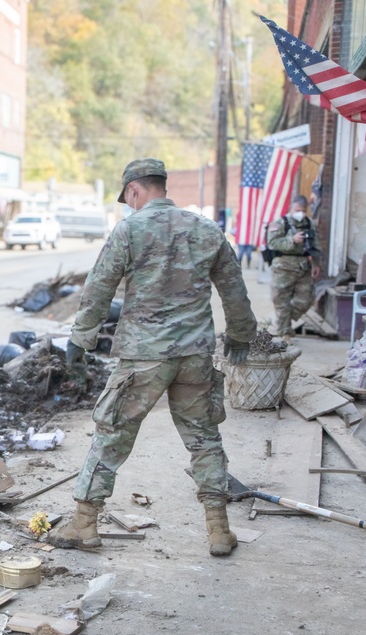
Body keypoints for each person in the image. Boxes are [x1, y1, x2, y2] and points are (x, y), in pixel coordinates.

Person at [48, 158, 258, 557]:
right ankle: (218, 531)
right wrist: (241, 335)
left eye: (128, 199)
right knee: (204, 439)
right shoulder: (205, 228)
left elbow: (99, 288)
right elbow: (234, 289)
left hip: (143, 356)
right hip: (195, 354)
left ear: (134, 191)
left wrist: (80, 340)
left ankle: (85, 525)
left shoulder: (130, 229)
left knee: (112, 434)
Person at [267, 195, 320, 337]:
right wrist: (292, 240)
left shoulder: (309, 223)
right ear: (291, 208)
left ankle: (282, 321)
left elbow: (315, 245)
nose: (300, 213)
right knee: (281, 300)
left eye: (303, 210)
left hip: (303, 267)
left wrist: (315, 264)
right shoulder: (279, 223)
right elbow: (272, 243)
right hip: (283, 267)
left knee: (306, 300)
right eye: (297, 210)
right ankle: (284, 332)